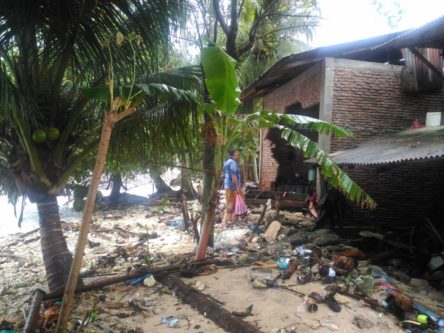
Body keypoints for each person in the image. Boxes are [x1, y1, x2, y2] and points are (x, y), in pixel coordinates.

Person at [223, 149, 241, 227]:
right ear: (233, 154)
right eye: (237, 153)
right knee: (231, 203)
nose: (238, 155)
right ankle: (226, 221)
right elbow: (234, 177)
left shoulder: (227, 162)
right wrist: (237, 187)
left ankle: (233, 219)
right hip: (232, 186)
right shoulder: (233, 163)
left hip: (227, 185)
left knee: (230, 202)